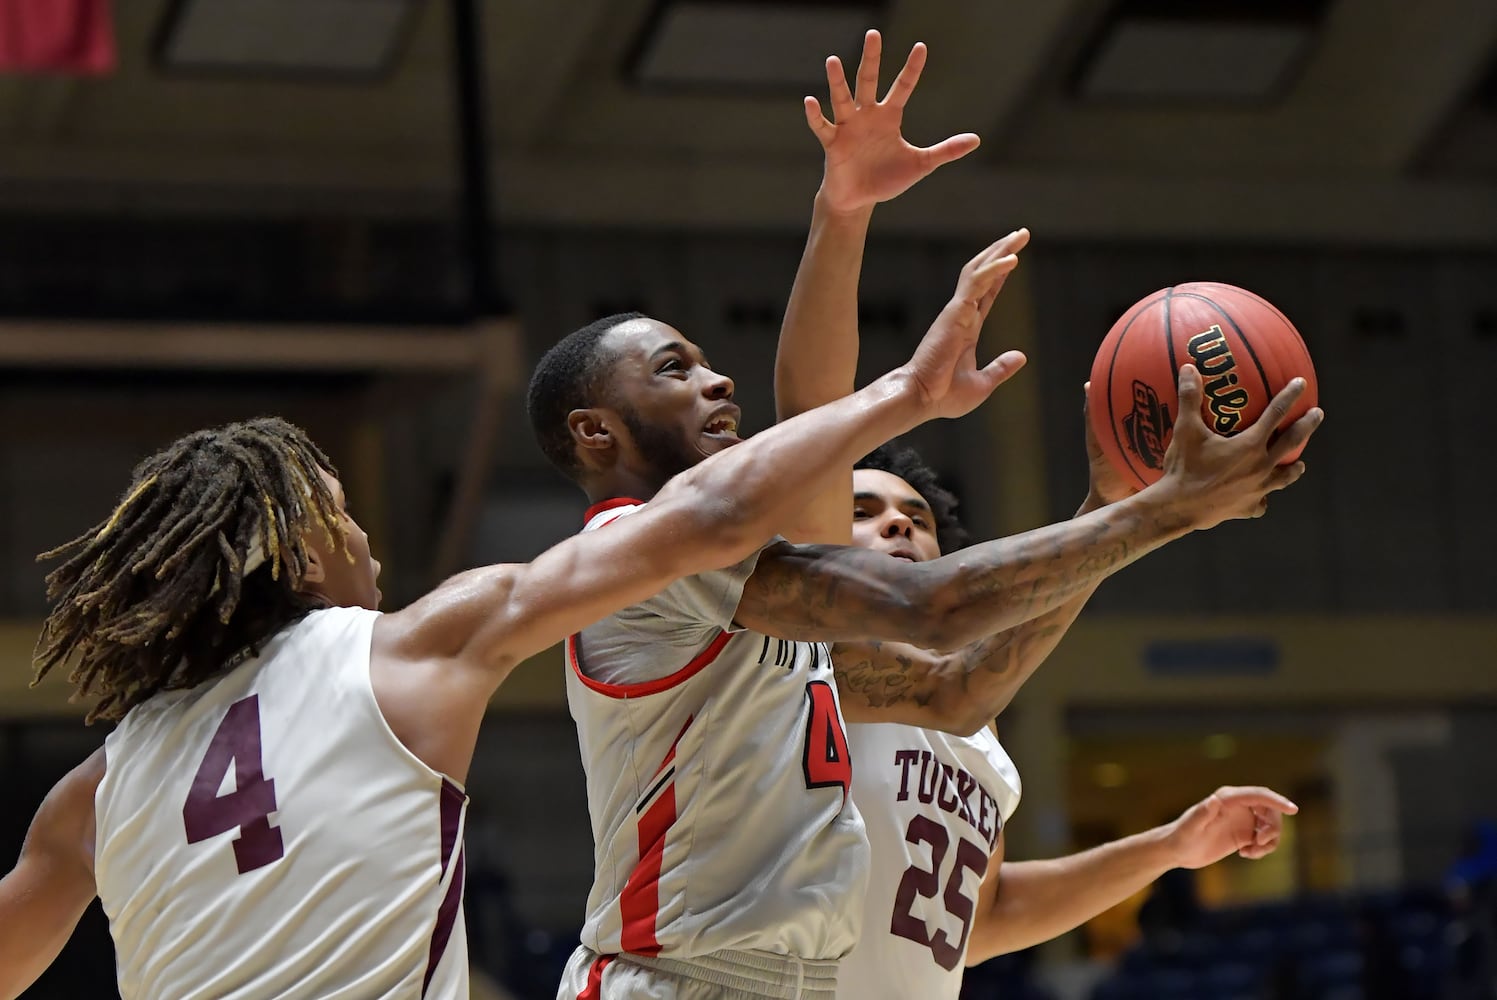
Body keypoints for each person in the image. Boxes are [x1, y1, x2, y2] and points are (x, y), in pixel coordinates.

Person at [530, 32, 1321, 1000]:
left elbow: (955, 688)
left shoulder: (756, 571)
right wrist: (1161, 510)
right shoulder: (636, 552)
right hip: (676, 977)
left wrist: (844, 211)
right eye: (673, 369)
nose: (715, 377)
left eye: (704, 359)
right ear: (596, 432)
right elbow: (930, 605)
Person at [0, 277, 1005, 1000]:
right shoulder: (403, 650)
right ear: (301, 550)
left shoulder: (90, 793)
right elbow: (708, 520)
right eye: (344, 516)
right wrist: (903, 393)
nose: (368, 544)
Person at [830, 441, 1297, 998]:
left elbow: (983, 922)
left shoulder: (977, 731)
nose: (898, 525)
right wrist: (1143, 514)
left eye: (917, 518)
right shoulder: (791, 660)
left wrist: (1169, 847)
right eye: (861, 512)